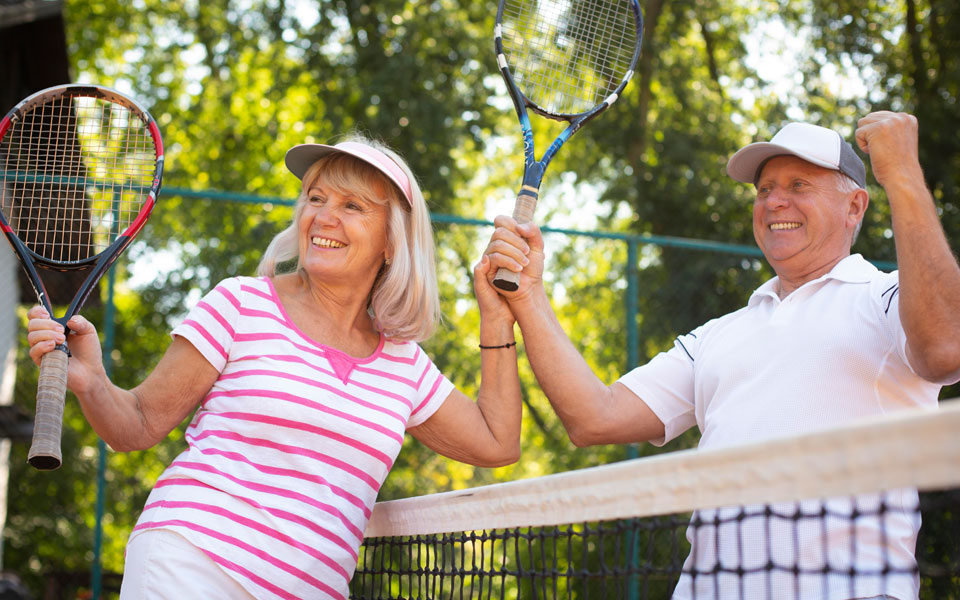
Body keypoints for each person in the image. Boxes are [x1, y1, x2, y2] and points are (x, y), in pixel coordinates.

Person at [483, 111, 960, 599]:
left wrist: (902, 174)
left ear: (855, 206)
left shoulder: (889, 300)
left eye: (798, 184)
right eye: (764, 188)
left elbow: (946, 350)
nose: (775, 200)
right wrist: (529, 296)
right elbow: (594, 418)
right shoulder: (717, 335)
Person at [26, 135, 524, 600]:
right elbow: (136, 425)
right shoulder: (241, 303)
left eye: (352, 206)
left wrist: (496, 313)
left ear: (392, 241)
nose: (324, 216)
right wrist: (92, 383)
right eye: (315, 198)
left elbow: (497, 441)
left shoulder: (404, 363)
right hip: (190, 560)